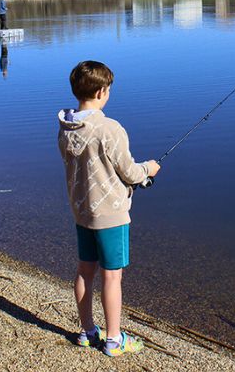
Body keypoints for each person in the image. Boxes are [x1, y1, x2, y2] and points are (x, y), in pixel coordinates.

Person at [57, 61, 160, 357]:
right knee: (112, 276)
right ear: (103, 91)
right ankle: (114, 339)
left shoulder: (66, 128)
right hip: (111, 214)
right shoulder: (109, 128)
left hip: (81, 211)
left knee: (85, 271)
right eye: (109, 89)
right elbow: (129, 171)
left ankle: (87, 330)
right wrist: (148, 170)